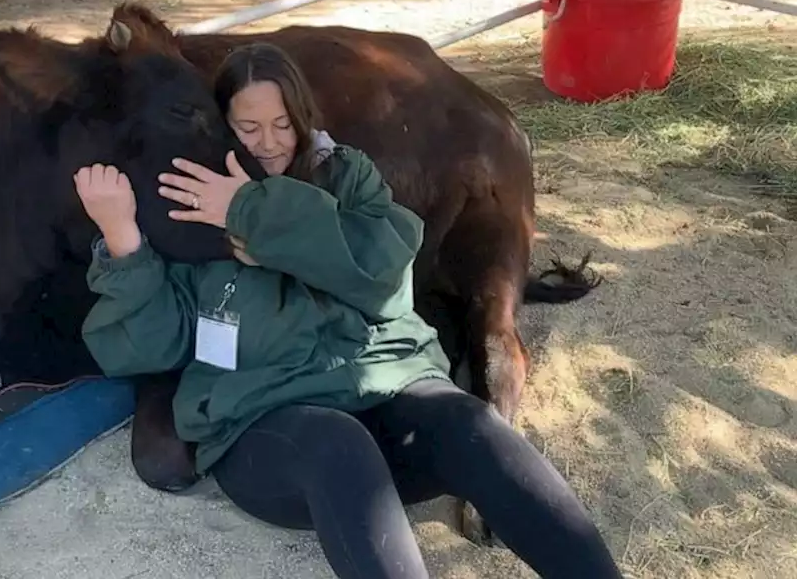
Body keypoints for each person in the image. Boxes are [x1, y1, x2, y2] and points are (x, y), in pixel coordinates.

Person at [71, 42, 623, 579]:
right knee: (338, 444)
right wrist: (123, 240)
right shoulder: (185, 204)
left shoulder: (348, 178)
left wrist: (253, 212)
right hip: (270, 430)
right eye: (248, 127)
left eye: (283, 124)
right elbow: (151, 344)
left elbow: (381, 278)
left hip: (389, 387)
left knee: (471, 421)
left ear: (303, 119)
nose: (268, 143)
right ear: (220, 126)